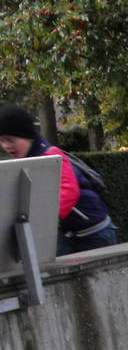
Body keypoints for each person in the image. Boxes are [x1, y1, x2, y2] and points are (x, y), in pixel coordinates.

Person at [0, 103, 118, 254]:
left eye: (11, 139)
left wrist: (40, 219)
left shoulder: (50, 155)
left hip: (95, 234)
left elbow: (68, 192)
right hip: (72, 233)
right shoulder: (29, 159)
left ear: (27, 136)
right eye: (2, 140)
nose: (6, 146)